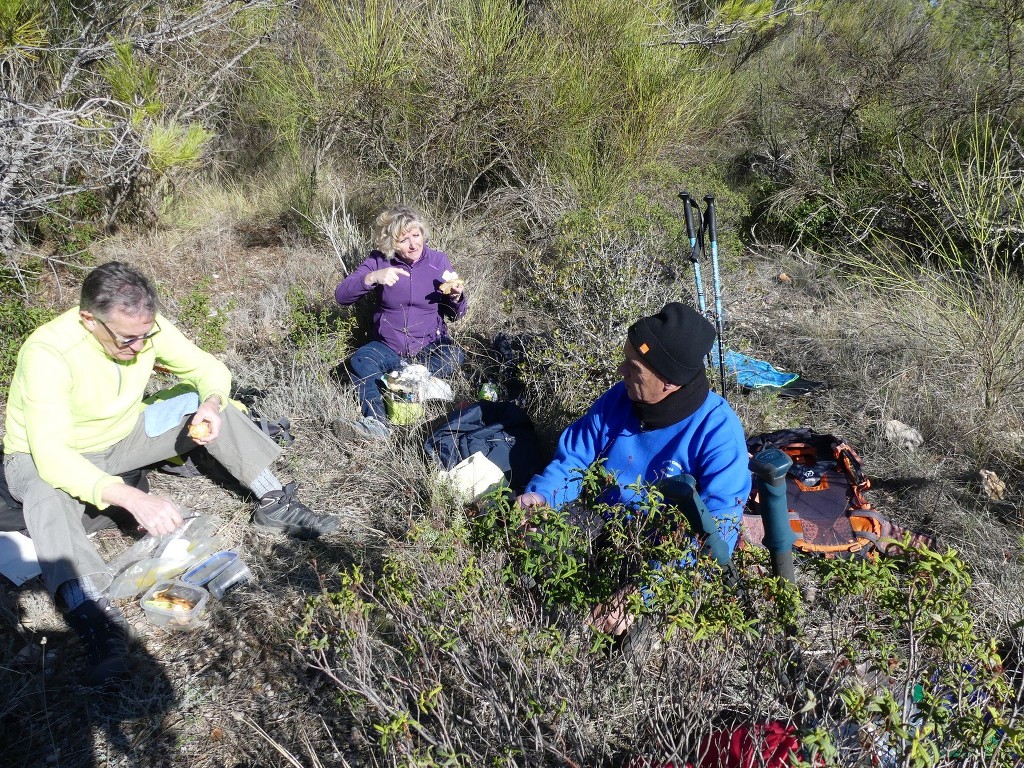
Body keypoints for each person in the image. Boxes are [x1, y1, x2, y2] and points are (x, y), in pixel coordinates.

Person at [2, 261, 341, 686]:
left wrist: (212, 404)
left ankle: (274, 501)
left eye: (147, 335)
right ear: (89, 320)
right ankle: (94, 615)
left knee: (213, 409)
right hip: (45, 455)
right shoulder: (48, 353)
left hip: (121, 437)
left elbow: (207, 368)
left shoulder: (145, 330)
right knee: (45, 492)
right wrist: (131, 497)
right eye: (128, 339)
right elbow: (51, 454)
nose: (140, 346)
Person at [516, 302, 751, 634]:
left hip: (662, 550)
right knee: (532, 540)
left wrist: (642, 595)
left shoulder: (718, 431)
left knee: (634, 634)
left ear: (669, 382)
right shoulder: (620, 398)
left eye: (634, 368)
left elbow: (719, 528)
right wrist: (541, 498)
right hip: (602, 523)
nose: (621, 373)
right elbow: (575, 459)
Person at [333, 206, 467, 439]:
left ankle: (398, 379)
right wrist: (372, 278)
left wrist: (456, 298)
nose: (413, 245)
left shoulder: (438, 260)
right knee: (361, 360)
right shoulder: (379, 261)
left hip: (429, 346)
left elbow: (456, 315)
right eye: (403, 240)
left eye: (416, 236)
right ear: (391, 243)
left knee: (455, 355)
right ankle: (377, 423)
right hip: (388, 346)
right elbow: (341, 297)